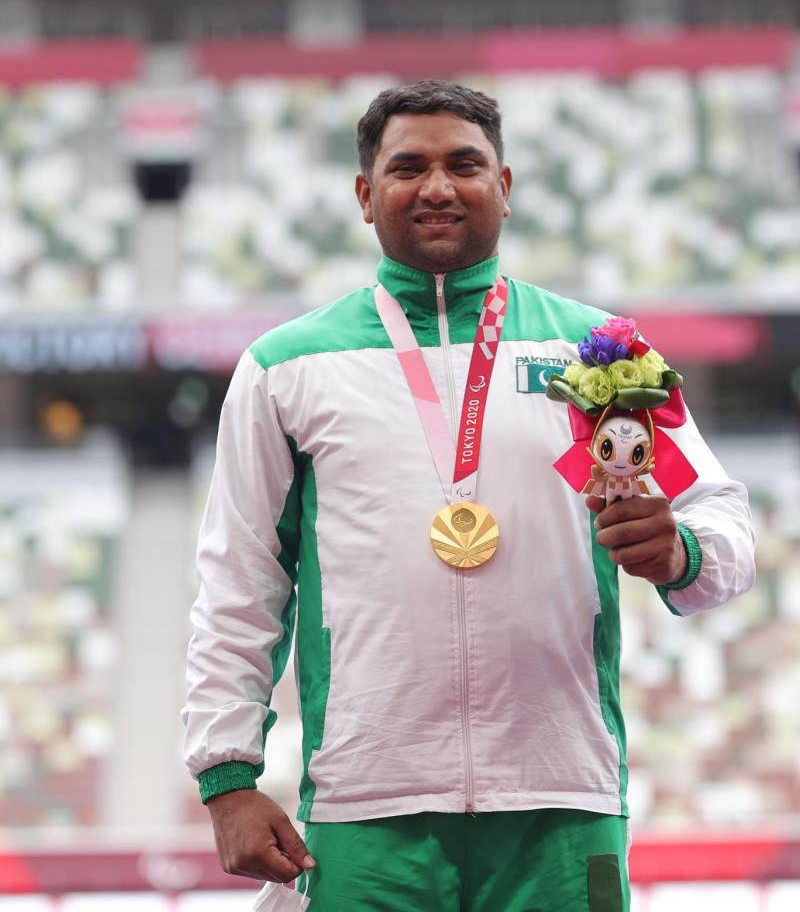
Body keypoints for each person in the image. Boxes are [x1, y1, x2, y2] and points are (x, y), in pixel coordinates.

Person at [183, 79, 755, 911]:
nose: (439, 186)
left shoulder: (597, 350)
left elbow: (722, 522)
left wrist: (680, 550)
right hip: (365, 804)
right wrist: (227, 776)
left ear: (506, 186)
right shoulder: (287, 368)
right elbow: (239, 581)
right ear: (364, 195)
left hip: (562, 799)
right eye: (408, 166)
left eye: (465, 164)